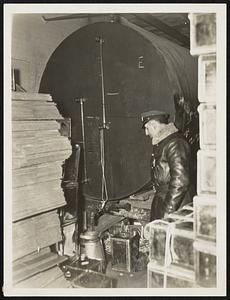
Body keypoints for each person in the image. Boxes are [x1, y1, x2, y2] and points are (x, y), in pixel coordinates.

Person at [141, 110, 193, 221]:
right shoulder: (164, 142)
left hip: (176, 205)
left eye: (147, 128)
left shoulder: (175, 143)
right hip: (165, 200)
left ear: (154, 126)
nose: (146, 133)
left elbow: (180, 181)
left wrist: (168, 212)